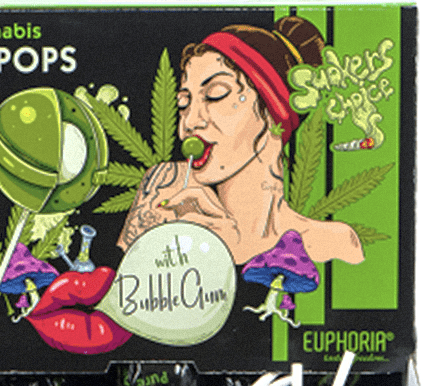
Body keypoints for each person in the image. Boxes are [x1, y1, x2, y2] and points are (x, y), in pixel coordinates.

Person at [117, 18, 365, 267]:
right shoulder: (166, 184)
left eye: (215, 94)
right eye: (184, 102)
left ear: (272, 112)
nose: (189, 122)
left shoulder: (332, 243)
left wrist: (226, 255)